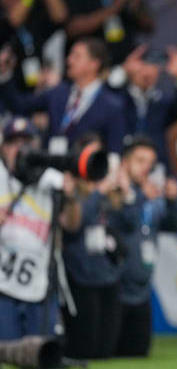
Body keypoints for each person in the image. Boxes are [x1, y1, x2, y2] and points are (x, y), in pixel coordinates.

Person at [0, 117, 82, 341]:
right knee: (7, 351)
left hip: (40, 283)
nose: (20, 149)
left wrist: (72, 196)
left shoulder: (51, 179)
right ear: (3, 147)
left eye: (27, 142)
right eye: (14, 142)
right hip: (3, 284)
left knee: (41, 353)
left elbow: (72, 225)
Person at [113, 135, 177, 357]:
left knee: (139, 353)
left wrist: (173, 201)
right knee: (111, 353)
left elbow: (175, 225)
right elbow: (126, 220)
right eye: (140, 161)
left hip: (141, 291)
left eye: (150, 163)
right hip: (116, 290)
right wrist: (138, 197)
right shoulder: (114, 193)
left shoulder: (151, 196)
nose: (146, 168)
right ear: (125, 163)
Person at [0, 37, 126, 153]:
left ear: (94, 64)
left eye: (77, 56)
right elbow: (19, 106)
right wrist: (5, 74)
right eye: (70, 55)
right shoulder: (58, 93)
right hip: (49, 170)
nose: (69, 60)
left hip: (84, 173)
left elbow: (114, 151)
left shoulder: (112, 105)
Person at [61, 134, 125, 359]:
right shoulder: (71, 188)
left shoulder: (112, 191)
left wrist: (128, 193)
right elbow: (74, 226)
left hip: (108, 274)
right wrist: (98, 192)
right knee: (84, 349)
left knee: (105, 351)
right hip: (81, 275)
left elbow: (127, 225)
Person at [109, 44, 177, 167]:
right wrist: (124, 69)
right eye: (143, 64)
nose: (147, 71)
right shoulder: (118, 98)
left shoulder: (162, 102)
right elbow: (105, 94)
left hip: (155, 167)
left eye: (153, 65)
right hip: (121, 162)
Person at [62, 0, 154, 65]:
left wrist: (137, 9)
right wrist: (113, 8)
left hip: (124, 62)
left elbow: (149, 27)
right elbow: (72, 29)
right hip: (89, 65)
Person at [0, 0, 67, 92]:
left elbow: (60, 16)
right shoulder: (4, 18)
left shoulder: (32, 16)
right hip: (7, 93)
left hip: (39, 88)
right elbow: (14, 21)